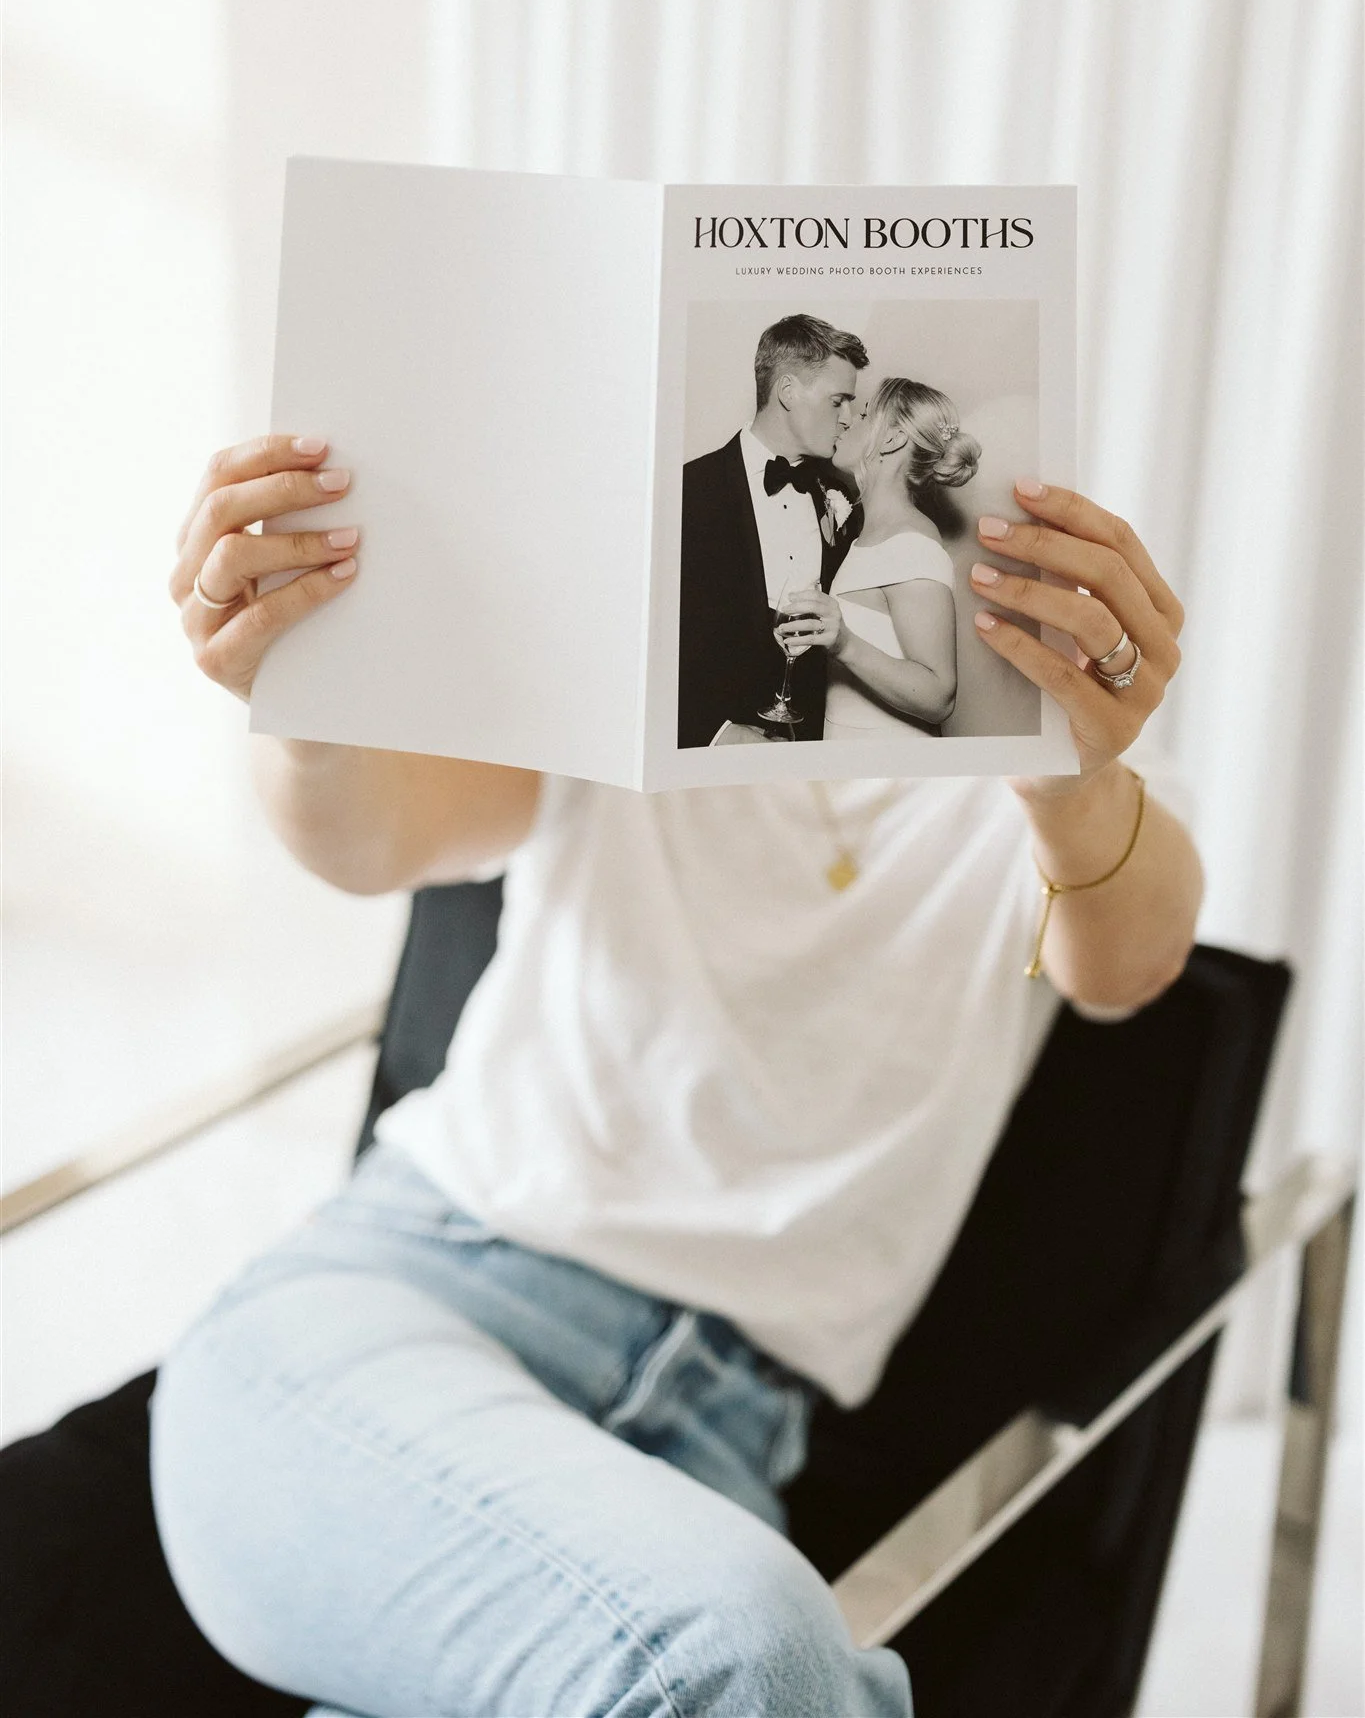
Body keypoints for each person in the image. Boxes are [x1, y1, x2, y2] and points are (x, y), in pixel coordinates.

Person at [153, 430, 1201, 1718]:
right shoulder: (645, 669)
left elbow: (1132, 964)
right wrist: (303, 704)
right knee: (753, 1659)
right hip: (409, 1303)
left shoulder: (1040, 771)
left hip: (713, 1453)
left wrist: (1076, 773)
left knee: (732, 1653)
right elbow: (373, 836)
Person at [677, 313, 868, 747]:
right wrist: (718, 734)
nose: (848, 417)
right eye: (838, 400)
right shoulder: (688, 489)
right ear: (787, 392)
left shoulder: (840, 497)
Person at [784, 377, 981, 740]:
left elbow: (940, 697)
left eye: (863, 415)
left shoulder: (912, 545)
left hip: (891, 765)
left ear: (892, 439)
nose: (846, 421)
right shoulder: (870, 536)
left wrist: (845, 643)